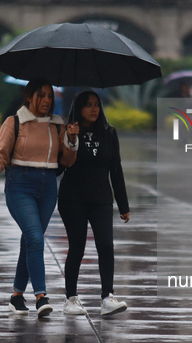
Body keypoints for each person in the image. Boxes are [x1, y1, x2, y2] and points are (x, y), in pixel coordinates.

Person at [0, 78, 79, 317]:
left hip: (48, 189)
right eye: (41, 95)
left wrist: (72, 139)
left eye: (50, 96)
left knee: (30, 240)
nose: (46, 100)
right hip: (19, 186)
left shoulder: (57, 125)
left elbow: (67, 161)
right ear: (29, 97)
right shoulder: (14, 122)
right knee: (34, 237)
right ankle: (41, 296)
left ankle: (16, 296)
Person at [58, 89, 130, 316]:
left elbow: (116, 170)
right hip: (73, 198)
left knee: (106, 246)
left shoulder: (109, 133)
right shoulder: (69, 132)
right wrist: (71, 139)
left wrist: (124, 205)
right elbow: (61, 167)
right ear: (78, 108)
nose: (94, 109)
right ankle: (71, 299)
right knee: (77, 247)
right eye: (88, 105)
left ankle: (107, 297)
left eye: (97, 104)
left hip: (101, 198)